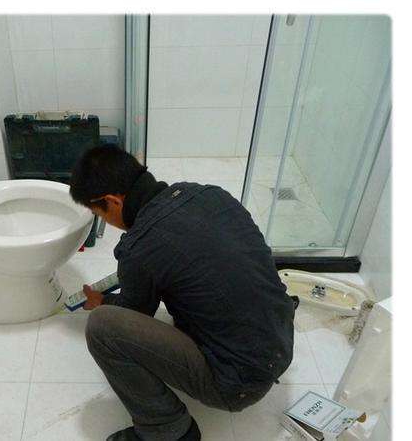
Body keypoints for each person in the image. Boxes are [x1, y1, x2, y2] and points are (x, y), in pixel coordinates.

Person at [69, 146, 295, 441]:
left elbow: (131, 315)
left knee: (102, 327)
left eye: (99, 214)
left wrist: (103, 302)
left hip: (237, 383)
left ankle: (166, 430)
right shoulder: (209, 194)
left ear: (113, 201)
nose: (106, 223)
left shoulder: (140, 246)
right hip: (281, 342)